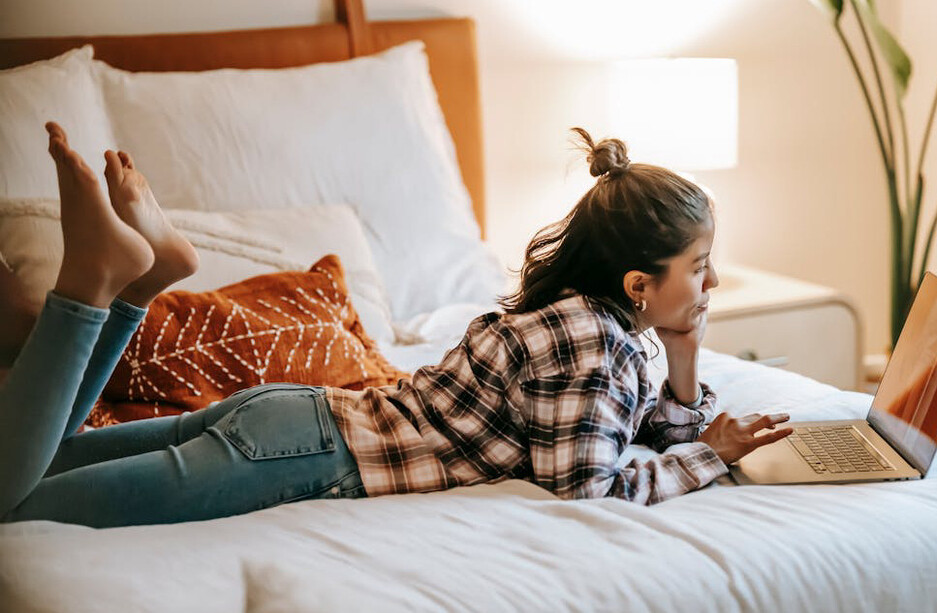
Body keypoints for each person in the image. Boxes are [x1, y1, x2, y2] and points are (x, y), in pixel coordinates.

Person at [0, 124, 792, 528]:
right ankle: (94, 286)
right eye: (702, 264)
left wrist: (683, 349)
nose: (714, 281)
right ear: (637, 284)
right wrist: (708, 458)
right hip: (300, 452)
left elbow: (632, 433)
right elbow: (588, 484)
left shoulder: (580, 321)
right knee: (13, 503)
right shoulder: (593, 342)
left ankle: (143, 281)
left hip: (293, 413)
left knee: (41, 461)